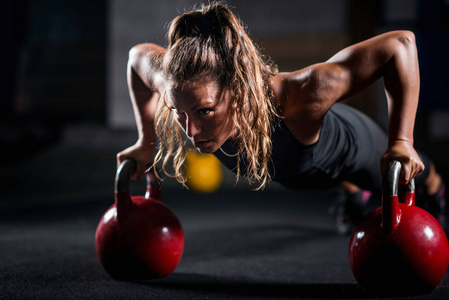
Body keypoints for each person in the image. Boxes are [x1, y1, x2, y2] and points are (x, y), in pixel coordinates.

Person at [117, 3, 446, 234]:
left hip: (351, 147)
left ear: (240, 91)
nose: (191, 131)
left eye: (204, 111)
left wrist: (402, 142)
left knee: (412, 176)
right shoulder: (178, 81)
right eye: (178, 112)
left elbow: (401, 44)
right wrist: (145, 143)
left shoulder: (299, 95)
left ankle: (436, 190)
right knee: (319, 178)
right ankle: (350, 192)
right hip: (299, 171)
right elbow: (135, 59)